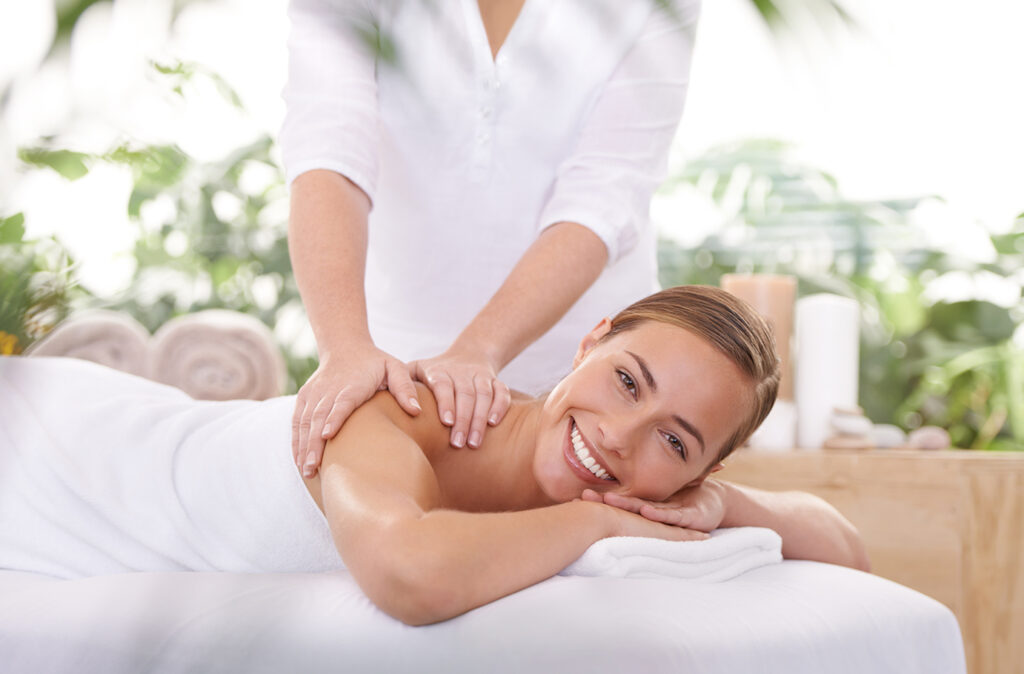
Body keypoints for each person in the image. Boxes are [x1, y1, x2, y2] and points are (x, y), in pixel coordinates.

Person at [0, 286, 869, 625]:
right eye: (627, 380)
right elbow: (409, 577)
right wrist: (597, 515)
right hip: (54, 450)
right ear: (589, 342)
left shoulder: (667, 484)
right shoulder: (404, 409)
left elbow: (842, 546)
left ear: (698, 470)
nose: (621, 436)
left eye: (674, 441)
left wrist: (725, 507)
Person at [281, 0, 702, 476]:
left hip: (594, 384)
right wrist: (345, 348)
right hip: (390, 369)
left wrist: (479, 350)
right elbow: (328, 149)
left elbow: (605, 194)